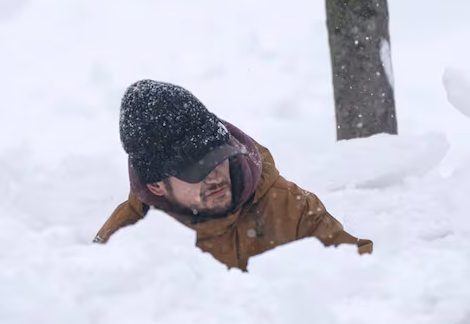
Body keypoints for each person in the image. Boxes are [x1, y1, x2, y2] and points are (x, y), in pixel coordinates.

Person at [94, 80, 372, 270]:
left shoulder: (288, 207)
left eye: (218, 158)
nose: (215, 176)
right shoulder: (124, 241)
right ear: (157, 186)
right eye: (195, 171)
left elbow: (364, 274)